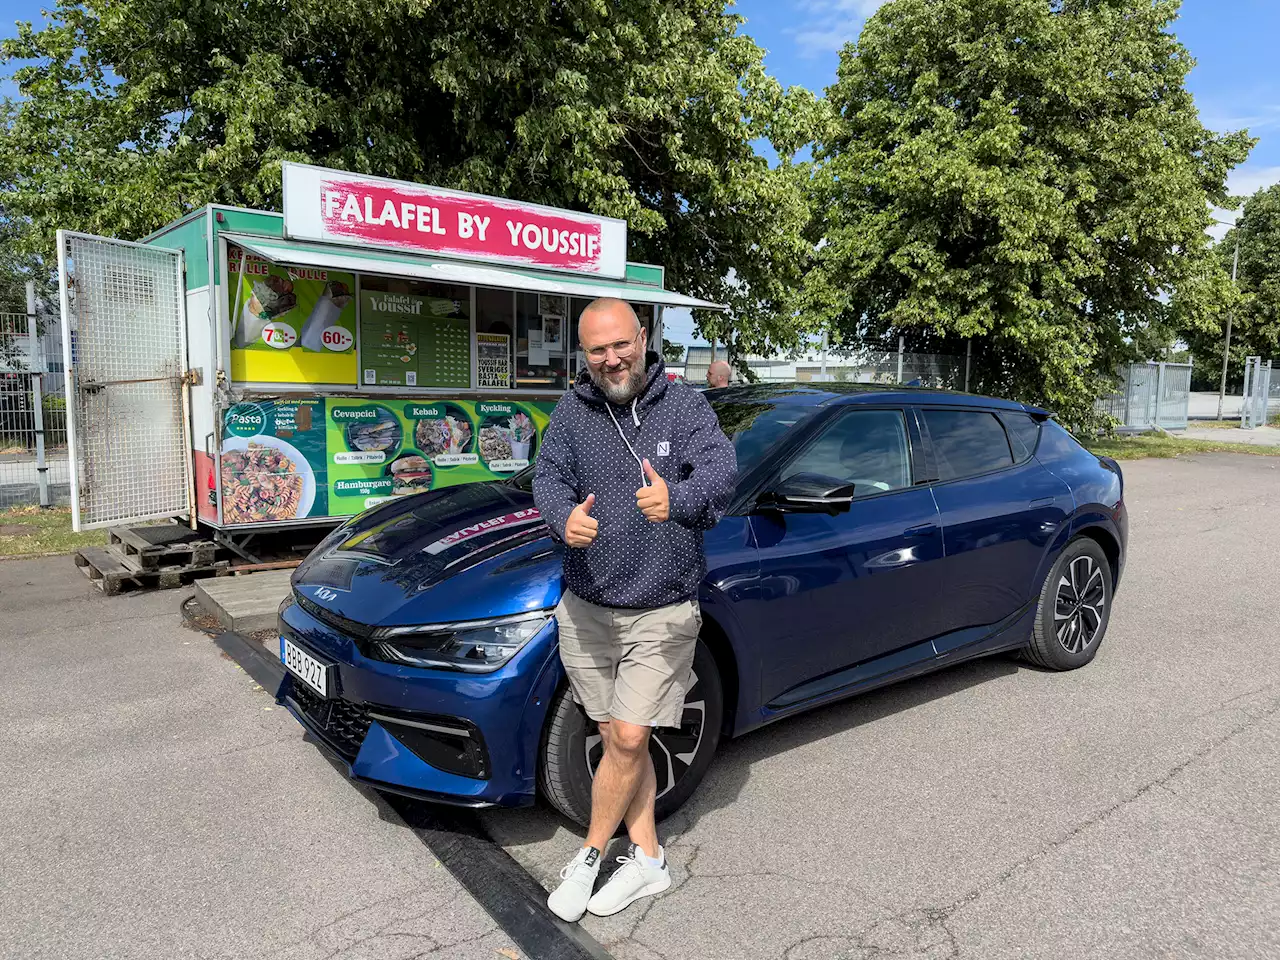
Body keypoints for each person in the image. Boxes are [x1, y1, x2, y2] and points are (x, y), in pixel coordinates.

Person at [534, 298, 737, 922]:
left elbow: (724, 470)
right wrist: (559, 517)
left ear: (642, 337)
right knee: (618, 739)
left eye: (620, 344)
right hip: (588, 606)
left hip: (661, 607)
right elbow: (546, 476)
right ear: (584, 353)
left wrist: (676, 497)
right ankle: (648, 859)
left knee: (627, 735)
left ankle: (591, 855)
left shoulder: (684, 404)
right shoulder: (571, 413)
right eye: (597, 349)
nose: (611, 358)